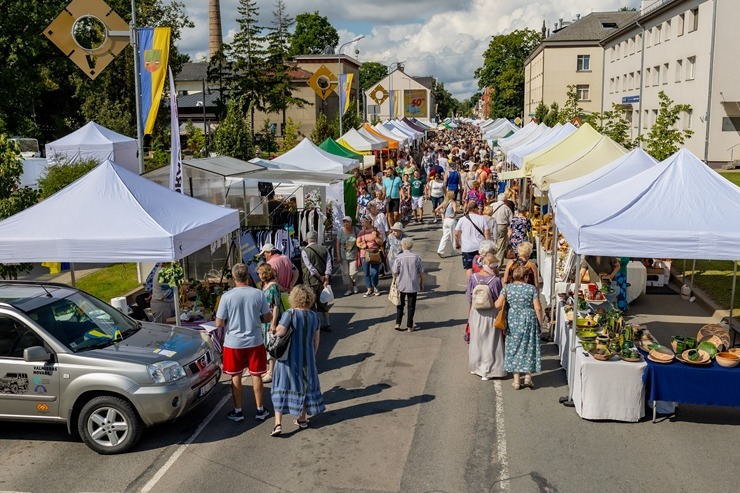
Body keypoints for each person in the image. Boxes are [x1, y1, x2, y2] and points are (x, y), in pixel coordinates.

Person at [215, 263, 272, 422]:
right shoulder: (258, 294)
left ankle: (238, 411)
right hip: (255, 340)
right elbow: (268, 317)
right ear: (248, 277)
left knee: (236, 376)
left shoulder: (227, 296)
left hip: (233, 343)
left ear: (233, 278)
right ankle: (260, 409)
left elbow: (219, 323)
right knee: (257, 375)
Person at [269, 285, 325, 437]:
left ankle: (278, 424)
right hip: (307, 358)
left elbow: (280, 331)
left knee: (281, 386)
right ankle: (302, 419)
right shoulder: (314, 316)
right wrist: (312, 355)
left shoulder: (290, 314)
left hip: (289, 359)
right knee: (305, 387)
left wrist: (273, 330)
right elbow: (316, 339)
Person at [495, 264, 544, 390]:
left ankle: (516, 381)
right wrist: (540, 323)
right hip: (529, 318)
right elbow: (537, 308)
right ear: (526, 277)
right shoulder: (531, 289)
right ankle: (528, 377)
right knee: (528, 346)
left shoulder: (507, 288)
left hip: (512, 319)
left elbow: (498, 304)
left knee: (513, 347)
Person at [466, 253, 504, 380]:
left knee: (477, 340)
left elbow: (469, 297)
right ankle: (487, 370)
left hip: (476, 312)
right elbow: (499, 299)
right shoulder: (496, 280)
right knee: (490, 342)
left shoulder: (473, 277)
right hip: (490, 313)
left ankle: (475, 366)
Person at [257, 263, 283, 384]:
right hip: (264, 320)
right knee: (267, 345)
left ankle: (271, 372)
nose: (258, 276)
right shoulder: (265, 285)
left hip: (271, 320)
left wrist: (273, 323)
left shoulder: (273, 286)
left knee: (271, 346)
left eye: (259, 273)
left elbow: (276, 305)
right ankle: (269, 370)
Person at [301, 231, 332, 332]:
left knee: (311, 304)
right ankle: (327, 323)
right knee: (323, 302)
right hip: (323, 282)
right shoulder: (324, 249)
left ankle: (315, 325)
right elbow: (329, 264)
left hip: (310, 281)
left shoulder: (305, 251)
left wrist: (319, 276)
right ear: (316, 238)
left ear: (307, 239)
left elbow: (310, 267)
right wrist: (326, 277)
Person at [391, 237, 424, 332]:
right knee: (411, 305)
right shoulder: (416, 257)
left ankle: (398, 322)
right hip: (413, 284)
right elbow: (421, 272)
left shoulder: (399, 257)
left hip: (401, 284)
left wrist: (394, 280)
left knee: (400, 304)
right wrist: (422, 283)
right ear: (411, 246)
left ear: (403, 246)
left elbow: (394, 271)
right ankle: (409, 325)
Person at [454, 201, 491, 277]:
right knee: (481, 267)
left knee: (469, 268)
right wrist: (488, 245)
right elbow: (487, 233)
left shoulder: (462, 219)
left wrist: (457, 243)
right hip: (480, 248)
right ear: (474, 209)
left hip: (467, 248)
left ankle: (470, 286)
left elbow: (456, 233)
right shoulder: (482, 219)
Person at [356, 216, 383, 297]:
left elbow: (381, 242)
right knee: (366, 272)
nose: (362, 223)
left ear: (369, 222)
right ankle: (369, 288)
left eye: (363, 221)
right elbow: (357, 242)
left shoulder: (376, 230)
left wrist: (375, 237)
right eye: (362, 222)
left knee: (374, 272)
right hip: (364, 254)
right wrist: (361, 245)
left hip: (374, 253)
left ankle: (375, 286)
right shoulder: (361, 232)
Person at [336, 216, 359, 296]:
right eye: (344, 222)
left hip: (353, 255)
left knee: (353, 273)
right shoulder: (340, 231)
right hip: (343, 256)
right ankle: (349, 289)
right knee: (345, 273)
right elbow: (338, 244)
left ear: (351, 223)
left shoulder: (355, 230)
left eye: (347, 222)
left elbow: (359, 240)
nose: (345, 223)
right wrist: (338, 256)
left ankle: (355, 284)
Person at [491, 194, 513, 268]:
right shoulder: (506, 208)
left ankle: (490, 262)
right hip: (501, 226)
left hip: (491, 225)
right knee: (501, 245)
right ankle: (497, 264)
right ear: (505, 200)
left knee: (492, 244)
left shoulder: (492, 205)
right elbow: (511, 220)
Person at [435, 190, 457, 258]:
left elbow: (436, 209)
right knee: (453, 236)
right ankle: (453, 251)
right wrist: (454, 215)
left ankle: (440, 250)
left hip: (445, 220)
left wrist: (442, 212)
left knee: (445, 236)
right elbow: (455, 210)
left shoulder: (444, 202)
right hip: (451, 220)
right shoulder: (453, 202)